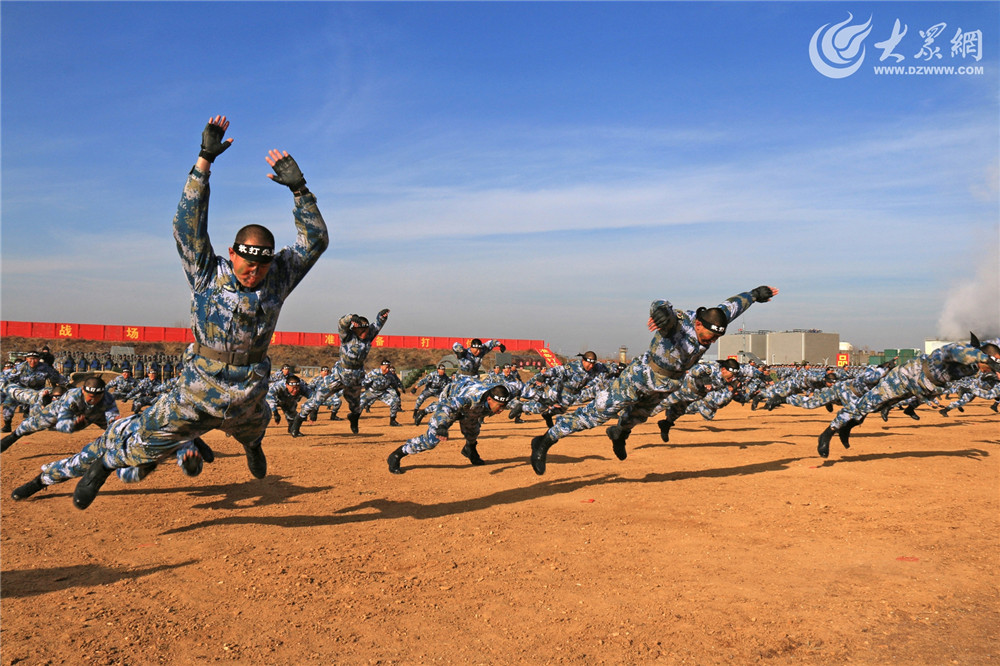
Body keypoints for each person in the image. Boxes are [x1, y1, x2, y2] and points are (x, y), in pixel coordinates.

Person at [21, 115, 329, 510]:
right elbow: (187, 227)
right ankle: (102, 465)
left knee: (255, 427)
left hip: (249, 386)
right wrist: (204, 161)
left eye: (263, 265)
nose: (254, 272)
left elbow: (316, 241)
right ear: (232, 253)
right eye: (247, 263)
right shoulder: (207, 273)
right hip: (198, 385)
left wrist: (300, 190)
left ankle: (253, 447)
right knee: (150, 439)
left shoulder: (278, 277)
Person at [528, 286, 779, 475]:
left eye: (715, 339)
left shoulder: (716, 320)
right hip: (640, 376)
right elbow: (662, 304)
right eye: (707, 337)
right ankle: (547, 439)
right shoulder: (678, 323)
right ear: (699, 324)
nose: (710, 342)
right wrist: (659, 312)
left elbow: (734, 305)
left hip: (669, 384)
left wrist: (755, 295)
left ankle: (619, 434)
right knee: (598, 412)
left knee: (639, 416)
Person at [817, 334, 1000, 458]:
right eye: (990, 365)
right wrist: (987, 360)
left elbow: (984, 371)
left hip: (920, 387)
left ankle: (848, 426)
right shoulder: (956, 352)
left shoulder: (974, 367)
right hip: (905, 377)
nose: (988, 370)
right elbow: (956, 352)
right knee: (865, 404)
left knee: (875, 408)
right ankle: (828, 433)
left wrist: (991, 366)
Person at [290, 309, 389, 436]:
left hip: (355, 377)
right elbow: (341, 323)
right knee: (317, 398)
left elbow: (377, 325)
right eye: (362, 330)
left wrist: (382, 317)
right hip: (339, 374)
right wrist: (351, 317)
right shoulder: (347, 336)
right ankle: (298, 422)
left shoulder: (369, 336)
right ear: (355, 329)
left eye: (366, 330)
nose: (365, 333)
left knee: (356, 406)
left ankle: (353, 418)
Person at [387, 378, 511, 474]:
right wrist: (442, 425)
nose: (501, 410)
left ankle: (470, 449)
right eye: (499, 406)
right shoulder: (470, 399)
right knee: (431, 441)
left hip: (469, 409)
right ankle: (398, 454)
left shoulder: (500, 393)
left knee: (472, 430)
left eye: (503, 406)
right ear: (489, 399)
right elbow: (447, 406)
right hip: (451, 402)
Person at [1, 377, 120, 452]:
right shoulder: (72, 397)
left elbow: (112, 415)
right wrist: (73, 426)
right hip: (54, 413)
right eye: (91, 397)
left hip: (89, 415)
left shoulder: (107, 398)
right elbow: (62, 423)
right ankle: (12, 437)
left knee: (117, 431)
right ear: (83, 390)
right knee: (27, 426)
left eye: (98, 397)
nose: (93, 400)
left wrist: (112, 422)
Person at [2, 350, 69, 432]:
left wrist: (68, 385)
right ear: (26, 359)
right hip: (22, 391)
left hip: (38, 392)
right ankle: (7, 425)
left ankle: (50, 423)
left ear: (39, 359)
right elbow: (7, 377)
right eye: (30, 358)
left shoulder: (45, 368)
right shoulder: (20, 367)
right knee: (8, 402)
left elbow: (57, 377)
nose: (32, 361)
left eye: (35, 359)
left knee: (49, 399)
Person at [359, 360, 404, 426]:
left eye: (388, 367)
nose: (387, 369)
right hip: (371, 391)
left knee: (396, 400)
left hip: (383, 393)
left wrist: (397, 391)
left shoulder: (390, 375)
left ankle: (393, 421)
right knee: (360, 403)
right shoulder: (374, 373)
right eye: (386, 367)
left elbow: (394, 384)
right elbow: (364, 382)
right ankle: (355, 419)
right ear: (381, 367)